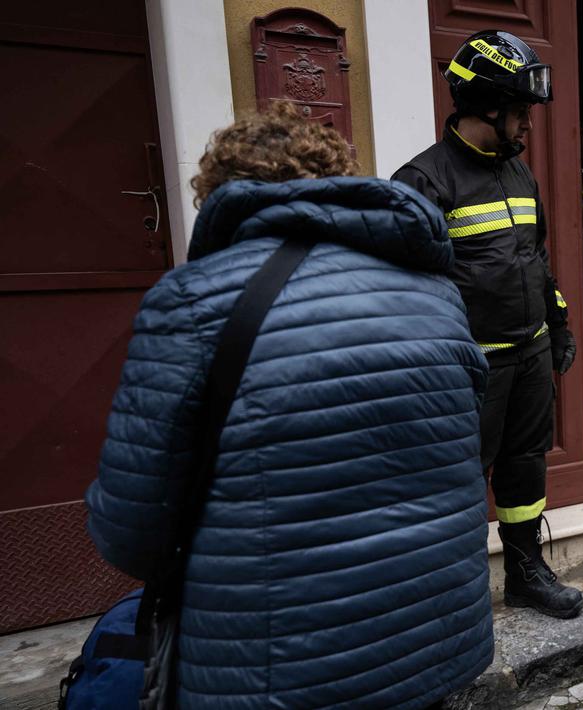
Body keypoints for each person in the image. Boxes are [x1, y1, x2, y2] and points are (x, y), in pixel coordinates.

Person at [85, 104, 492, 709]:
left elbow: (130, 532)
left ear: (220, 192)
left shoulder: (192, 301)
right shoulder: (436, 293)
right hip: (432, 643)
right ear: (332, 178)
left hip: (279, 668)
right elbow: (455, 456)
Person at [391, 31, 583, 619]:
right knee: (458, 479)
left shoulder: (519, 174)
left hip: (530, 353)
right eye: (520, 112)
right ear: (486, 107)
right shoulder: (421, 183)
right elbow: (408, 290)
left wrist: (557, 324)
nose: (528, 125)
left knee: (525, 466)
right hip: (468, 367)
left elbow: (536, 257)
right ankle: (457, 591)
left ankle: (526, 571)